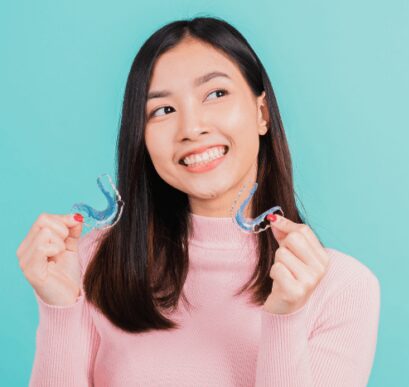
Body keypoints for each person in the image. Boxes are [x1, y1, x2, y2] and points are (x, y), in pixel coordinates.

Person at [17, 16, 380, 387]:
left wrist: (286, 317)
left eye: (216, 94)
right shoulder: (92, 264)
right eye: (163, 110)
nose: (191, 128)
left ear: (262, 113)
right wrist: (60, 307)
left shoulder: (341, 288)